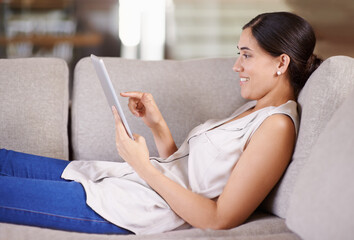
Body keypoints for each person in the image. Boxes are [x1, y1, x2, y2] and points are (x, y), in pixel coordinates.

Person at [0, 12, 322, 235]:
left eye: (247, 55)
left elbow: (218, 218)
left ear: (281, 62)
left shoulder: (277, 127)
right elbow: (188, 175)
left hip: (131, 208)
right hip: (128, 183)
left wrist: (145, 168)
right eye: (238, 53)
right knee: (7, 161)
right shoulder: (251, 109)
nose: (236, 65)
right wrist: (157, 125)